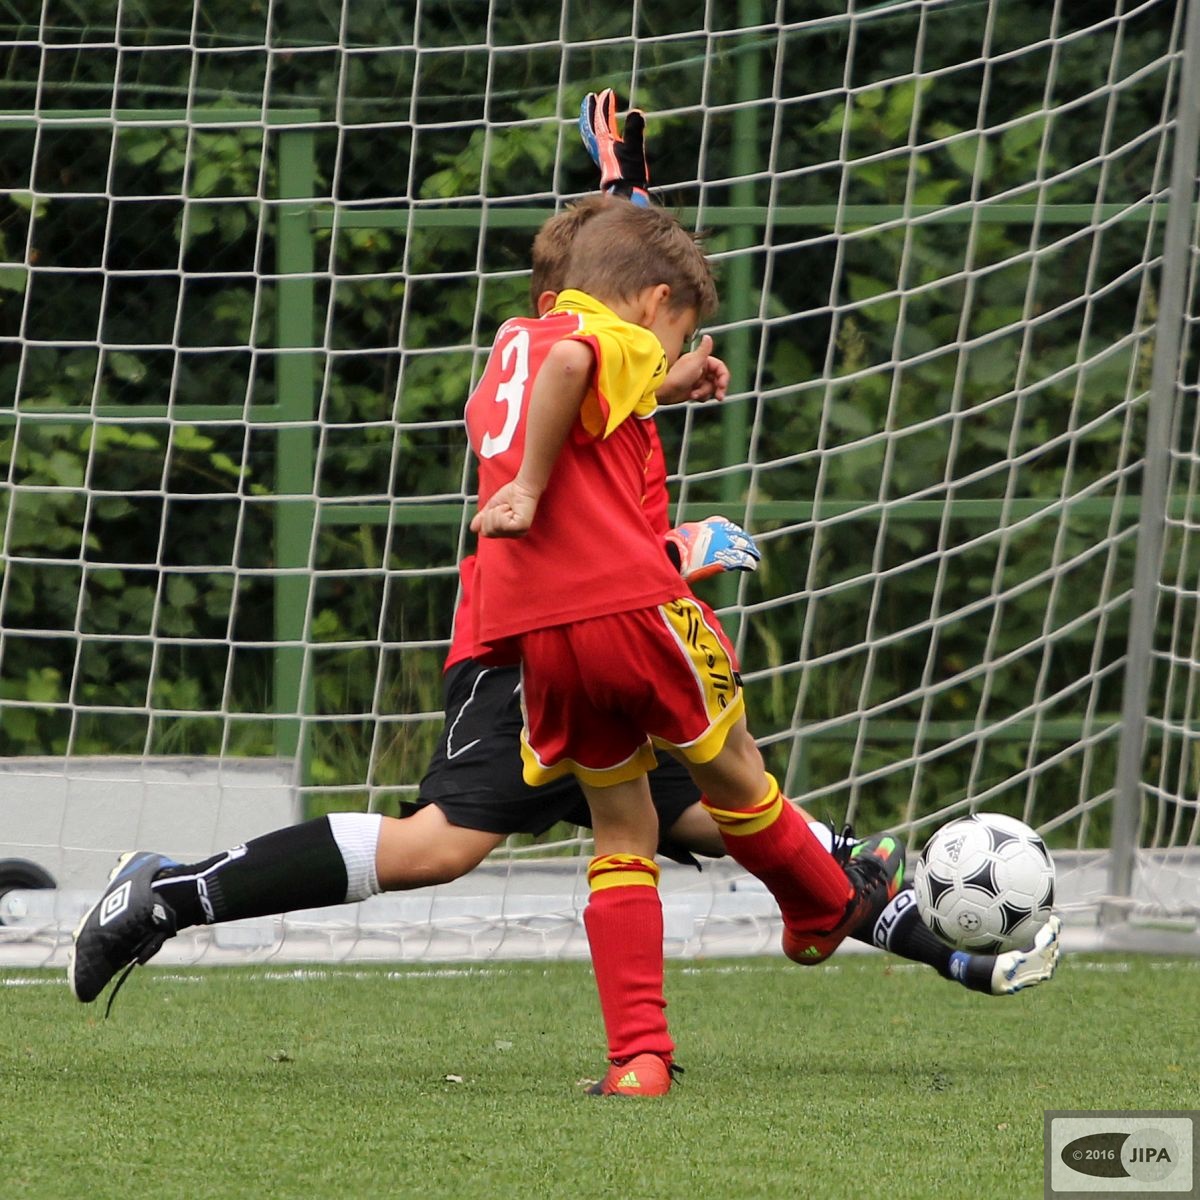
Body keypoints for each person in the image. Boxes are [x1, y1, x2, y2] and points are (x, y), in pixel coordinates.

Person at [67, 95, 1060, 1038]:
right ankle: (169, 892)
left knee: (731, 812)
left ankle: (926, 942)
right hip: (528, 647)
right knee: (446, 844)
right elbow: (588, 429)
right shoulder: (581, 349)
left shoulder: (574, 349)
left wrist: (626, 189)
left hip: (597, 625)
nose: (673, 349)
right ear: (594, 306)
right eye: (670, 330)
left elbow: (623, 286)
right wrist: (672, 545)